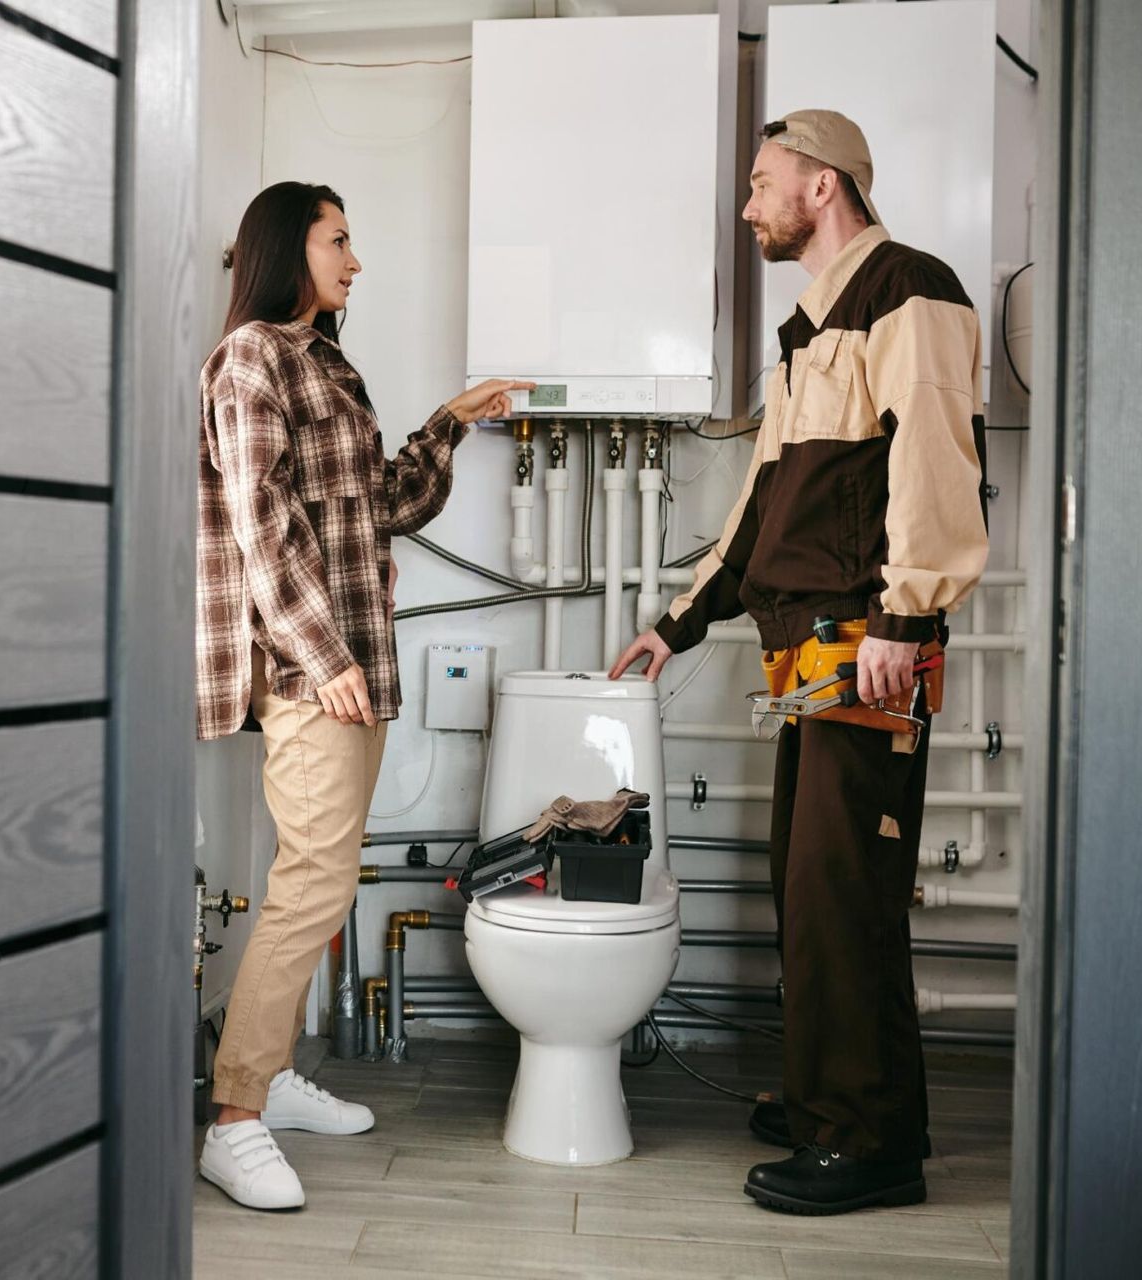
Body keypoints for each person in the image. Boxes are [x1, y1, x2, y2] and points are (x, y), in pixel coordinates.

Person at [610, 110, 988, 1215]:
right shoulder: (809, 330)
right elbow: (762, 505)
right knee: (816, 889)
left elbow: (932, 457)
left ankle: (860, 1140)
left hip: (869, 653)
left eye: (761, 183)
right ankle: (851, 1095)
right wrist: (676, 622)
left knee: (841, 896)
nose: (748, 205)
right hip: (815, 659)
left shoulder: (909, 291)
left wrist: (905, 621)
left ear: (822, 184)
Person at [195, 180, 529, 1211]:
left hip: (350, 664)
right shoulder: (249, 357)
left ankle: (272, 1074)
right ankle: (236, 1115)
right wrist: (323, 654)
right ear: (287, 245)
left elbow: (384, 500)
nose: (355, 257)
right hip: (313, 670)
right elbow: (259, 524)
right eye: (339, 238)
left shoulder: (324, 364)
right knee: (310, 885)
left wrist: (451, 421)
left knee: (322, 881)